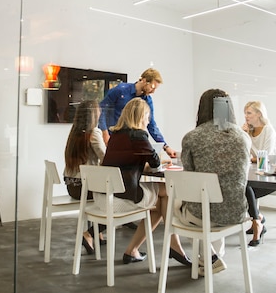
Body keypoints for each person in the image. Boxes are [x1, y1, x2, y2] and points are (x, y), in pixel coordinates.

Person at [99, 98, 190, 266]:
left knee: (158, 205)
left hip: (105, 196)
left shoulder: (115, 136)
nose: (148, 120)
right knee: (166, 194)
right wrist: (158, 163)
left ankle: (133, 251)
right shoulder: (138, 135)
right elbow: (155, 164)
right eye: (148, 116)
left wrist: (147, 165)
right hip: (122, 198)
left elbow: (126, 162)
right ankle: (174, 245)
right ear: (142, 116)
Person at [179, 89, 251, 275]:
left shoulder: (192, 137)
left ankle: (211, 258)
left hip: (202, 213)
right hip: (236, 213)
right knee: (214, 205)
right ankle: (210, 259)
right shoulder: (243, 137)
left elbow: (189, 178)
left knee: (182, 206)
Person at [98, 67, 177, 157]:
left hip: (131, 140)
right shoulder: (120, 90)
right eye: (152, 87)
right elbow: (102, 110)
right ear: (144, 80)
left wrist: (165, 146)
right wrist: (105, 133)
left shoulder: (147, 100)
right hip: (112, 136)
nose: (153, 92)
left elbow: (151, 124)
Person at [63, 100, 106, 253]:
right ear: (94, 114)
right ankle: (90, 233)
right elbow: (105, 157)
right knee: (120, 198)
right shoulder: (94, 132)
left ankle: (98, 234)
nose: (101, 112)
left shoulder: (74, 132)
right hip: (85, 188)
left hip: (72, 187)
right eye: (99, 110)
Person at [242, 100, 276, 245]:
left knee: (246, 189)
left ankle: (257, 223)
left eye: (249, 113)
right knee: (243, 187)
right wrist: (244, 135)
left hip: (275, 175)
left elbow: (265, 156)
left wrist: (253, 158)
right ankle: (257, 219)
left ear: (259, 114)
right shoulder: (249, 131)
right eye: (245, 113)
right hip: (259, 173)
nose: (246, 117)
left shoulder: (268, 130)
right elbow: (245, 155)